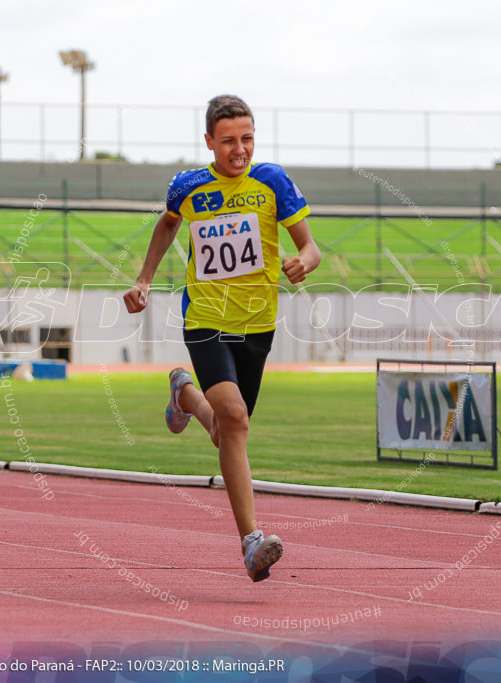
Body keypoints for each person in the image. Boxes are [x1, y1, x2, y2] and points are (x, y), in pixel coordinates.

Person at [123, 94, 321, 582]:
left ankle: (184, 393)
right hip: (207, 319)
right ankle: (252, 543)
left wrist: (305, 263)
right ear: (209, 141)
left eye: (247, 138)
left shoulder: (272, 181)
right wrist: (145, 278)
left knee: (225, 430)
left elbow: (311, 247)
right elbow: (168, 225)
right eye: (229, 140)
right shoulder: (188, 186)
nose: (240, 149)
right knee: (234, 418)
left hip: (258, 323)